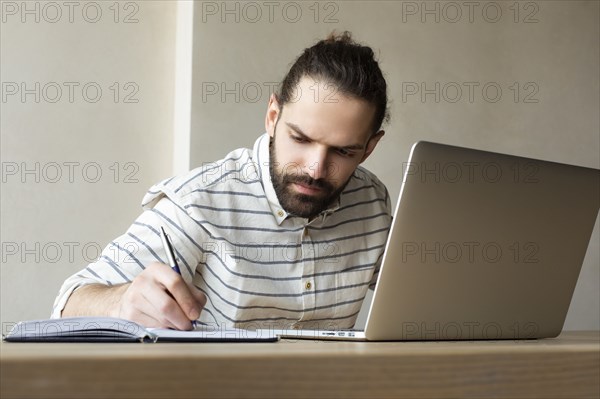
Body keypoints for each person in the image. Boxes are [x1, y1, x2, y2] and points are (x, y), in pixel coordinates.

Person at [54, 31, 393, 331]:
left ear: (369, 148)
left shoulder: (373, 202)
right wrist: (121, 301)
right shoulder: (198, 201)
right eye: (301, 140)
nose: (316, 169)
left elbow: (419, 297)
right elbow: (67, 306)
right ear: (273, 117)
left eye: (343, 151)